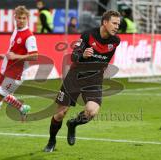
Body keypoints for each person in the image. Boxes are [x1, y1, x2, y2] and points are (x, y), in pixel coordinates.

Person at [43, 10, 121, 152]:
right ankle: (51, 141)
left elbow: (103, 57)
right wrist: (83, 55)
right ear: (105, 22)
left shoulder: (115, 41)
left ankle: (73, 124)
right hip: (75, 77)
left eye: (118, 24)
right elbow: (74, 55)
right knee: (60, 113)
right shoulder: (88, 35)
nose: (117, 26)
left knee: (91, 112)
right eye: (114, 23)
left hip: (94, 80)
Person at [0, 6, 38, 128]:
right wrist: (4, 56)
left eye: (23, 18)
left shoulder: (29, 36)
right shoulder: (16, 31)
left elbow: (35, 56)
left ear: (27, 19)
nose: (21, 20)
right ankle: (22, 108)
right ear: (14, 17)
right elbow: (13, 50)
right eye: (19, 18)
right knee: (0, 94)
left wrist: (16, 56)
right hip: (7, 68)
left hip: (17, 73)